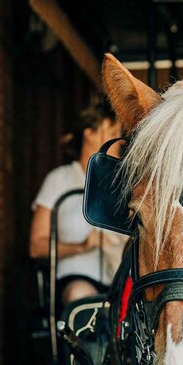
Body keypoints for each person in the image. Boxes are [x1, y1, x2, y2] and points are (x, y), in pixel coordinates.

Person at [29, 102, 127, 305]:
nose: (119, 141)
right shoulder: (60, 179)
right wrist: (83, 246)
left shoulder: (122, 182)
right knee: (81, 296)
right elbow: (36, 246)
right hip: (77, 276)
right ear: (89, 134)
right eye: (113, 132)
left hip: (121, 278)